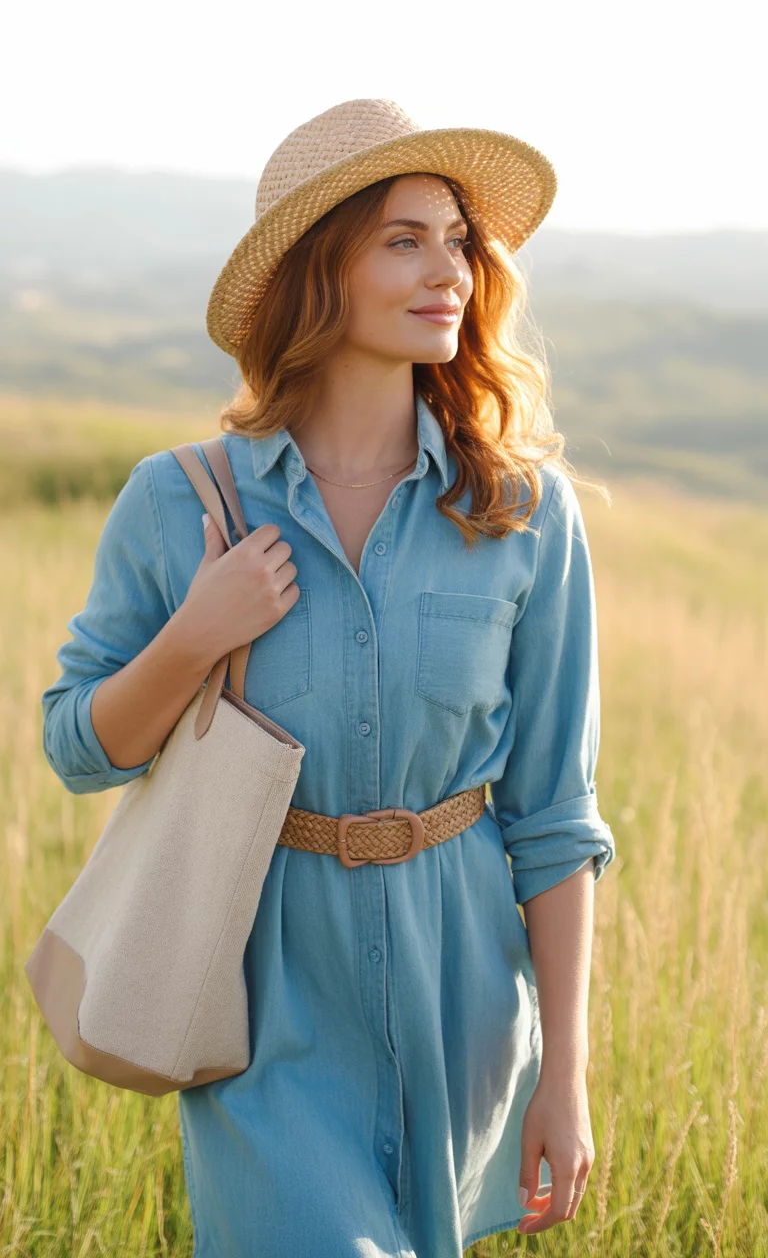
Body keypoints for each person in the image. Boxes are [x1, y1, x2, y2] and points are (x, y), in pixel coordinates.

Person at [41, 98, 617, 1257]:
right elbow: (76, 744)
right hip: (271, 1007)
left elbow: (555, 818)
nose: (447, 269)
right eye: (403, 239)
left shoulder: (522, 513)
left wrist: (566, 1073)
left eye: (457, 240)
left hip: (462, 1002)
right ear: (319, 271)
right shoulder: (183, 499)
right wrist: (196, 634)